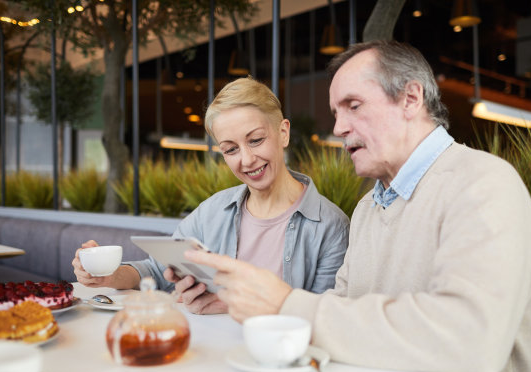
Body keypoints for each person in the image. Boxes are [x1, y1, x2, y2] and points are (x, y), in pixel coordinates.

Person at [182, 41, 531, 372]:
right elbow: (340, 309)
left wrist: (285, 304)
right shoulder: (367, 208)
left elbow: (471, 341)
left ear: (411, 98)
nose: (339, 128)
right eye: (336, 113)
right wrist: (249, 307)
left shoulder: (483, 183)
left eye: (353, 106)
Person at [72, 77, 350, 315]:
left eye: (256, 140)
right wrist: (111, 275)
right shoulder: (213, 211)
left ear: (283, 133)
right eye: (230, 150)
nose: (247, 159)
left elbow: (323, 315)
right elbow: (157, 271)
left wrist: (230, 304)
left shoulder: (330, 225)